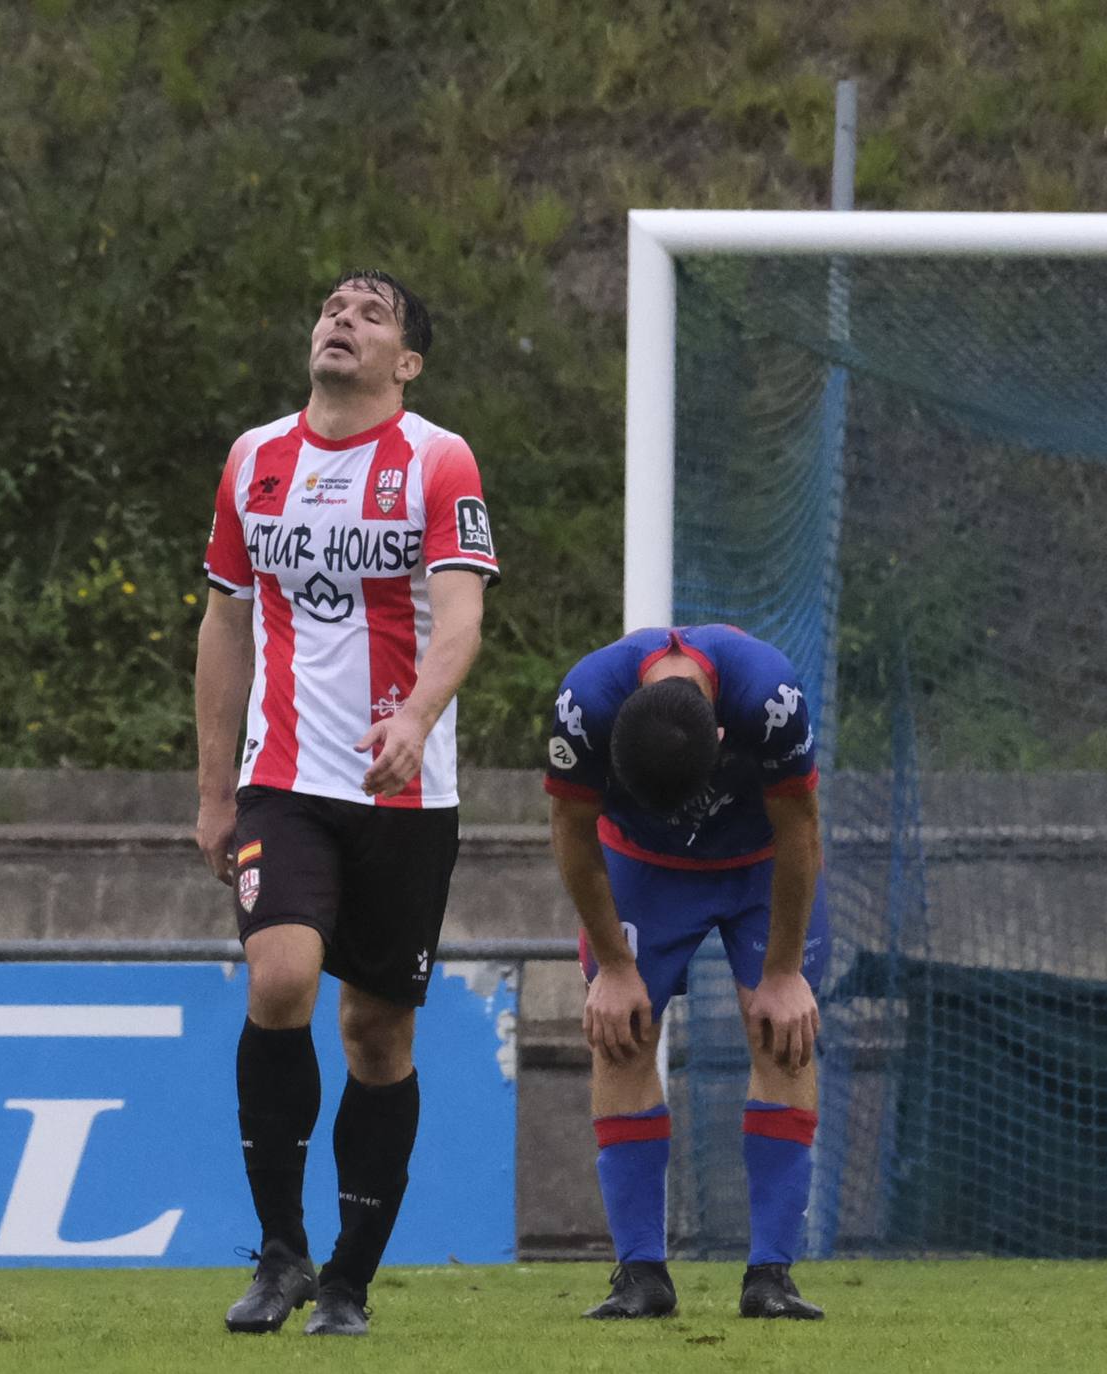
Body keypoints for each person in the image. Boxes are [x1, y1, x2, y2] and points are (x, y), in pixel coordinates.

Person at [194, 270, 499, 1336]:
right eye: (332, 307)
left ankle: (350, 1280)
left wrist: (414, 714)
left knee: (376, 1036)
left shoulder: (435, 459)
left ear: (406, 362)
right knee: (280, 980)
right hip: (282, 782)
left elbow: (460, 618)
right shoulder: (253, 458)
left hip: (404, 794)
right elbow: (226, 624)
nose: (342, 320)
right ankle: (278, 1255)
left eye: (372, 315)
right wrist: (212, 790)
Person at [545, 625, 829, 1321]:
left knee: (781, 1032)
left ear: (723, 743)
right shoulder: (585, 702)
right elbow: (571, 832)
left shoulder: (771, 696)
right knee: (621, 1034)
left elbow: (800, 830)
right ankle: (640, 1274)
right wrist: (612, 966)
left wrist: (785, 971)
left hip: (760, 864)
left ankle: (771, 1276)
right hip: (642, 867)